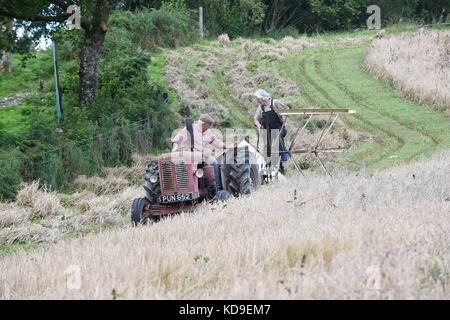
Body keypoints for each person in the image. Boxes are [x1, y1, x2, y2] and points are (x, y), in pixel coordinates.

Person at [171, 114, 227, 189]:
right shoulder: (188, 129)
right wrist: (174, 149)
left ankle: (217, 188)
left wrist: (226, 146)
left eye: (208, 127)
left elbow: (216, 142)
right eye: (206, 127)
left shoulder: (208, 132)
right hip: (189, 156)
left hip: (202, 156)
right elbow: (176, 141)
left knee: (213, 162)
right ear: (202, 123)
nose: (207, 129)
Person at [253, 89, 289, 172]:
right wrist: (258, 125)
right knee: (267, 147)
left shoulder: (275, 103)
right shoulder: (260, 108)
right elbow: (256, 119)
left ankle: (284, 157)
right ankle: (269, 165)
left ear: (263, 98)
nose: (257, 101)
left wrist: (281, 113)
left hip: (279, 127)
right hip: (267, 129)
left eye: (258, 99)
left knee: (278, 140)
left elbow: (287, 110)